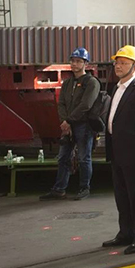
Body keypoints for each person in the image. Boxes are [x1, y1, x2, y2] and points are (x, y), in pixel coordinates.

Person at [102, 45, 135, 255]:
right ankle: (126, 232)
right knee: (122, 195)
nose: (118, 66)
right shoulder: (118, 87)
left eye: (123, 63)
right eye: (117, 62)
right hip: (118, 151)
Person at [40, 47, 100, 201]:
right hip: (68, 125)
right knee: (63, 157)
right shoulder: (67, 83)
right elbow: (61, 103)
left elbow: (86, 105)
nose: (74, 64)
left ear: (86, 64)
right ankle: (59, 189)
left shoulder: (91, 83)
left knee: (84, 158)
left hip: (84, 126)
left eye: (78, 61)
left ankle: (84, 188)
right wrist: (64, 122)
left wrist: (69, 120)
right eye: (73, 61)